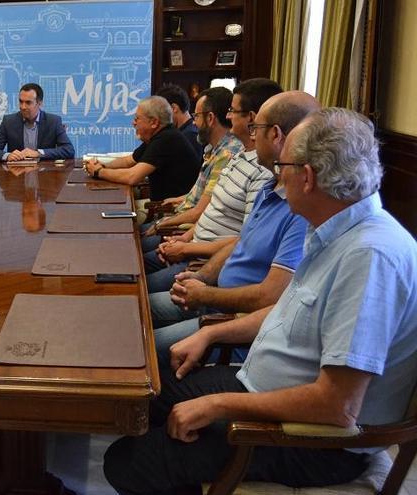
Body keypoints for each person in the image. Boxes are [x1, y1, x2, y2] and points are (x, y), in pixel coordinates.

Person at [104, 108, 417, 494]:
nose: (277, 177)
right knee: (143, 399)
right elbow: (289, 309)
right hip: (257, 383)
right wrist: (212, 336)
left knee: (129, 461)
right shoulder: (336, 228)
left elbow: (337, 406)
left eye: (282, 166)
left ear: (307, 177)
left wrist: (219, 405)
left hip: (312, 441)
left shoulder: (369, 257)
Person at [150, 91, 317, 364]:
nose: (251, 135)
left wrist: (205, 291)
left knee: (143, 346)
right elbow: (240, 243)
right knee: (134, 311)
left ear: (275, 135)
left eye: (256, 128)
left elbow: (271, 296)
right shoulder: (270, 187)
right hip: (212, 294)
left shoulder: (300, 208)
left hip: (233, 324)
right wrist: (202, 278)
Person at [143, 82, 279, 293]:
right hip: (190, 246)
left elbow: (243, 240)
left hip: (201, 263)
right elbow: (211, 210)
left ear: (252, 118)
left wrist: (184, 246)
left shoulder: (259, 170)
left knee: (137, 287)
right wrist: (184, 238)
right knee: (130, 271)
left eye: (233, 111)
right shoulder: (238, 155)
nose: (229, 116)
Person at [137, 86, 243, 242]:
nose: (195, 122)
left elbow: (200, 211)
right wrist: (182, 198)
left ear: (210, 118)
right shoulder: (214, 149)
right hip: (181, 219)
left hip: (185, 231)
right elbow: (204, 194)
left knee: (134, 243)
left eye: (197, 116)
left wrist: (162, 223)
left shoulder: (226, 155)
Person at [84, 95, 201, 202]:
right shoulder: (159, 135)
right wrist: (102, 165)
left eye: (137, 119)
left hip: (169, 210)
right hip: (160, 204)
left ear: (154, 122)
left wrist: (99, 172)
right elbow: (128, 161)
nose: (133, 123)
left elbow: (132, 177)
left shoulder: (167, 139)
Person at [0, 82, 75, 161]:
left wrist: (38, 153)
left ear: (39, 103)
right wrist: (7, 156)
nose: (23, 107)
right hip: (16, 175)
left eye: (28, 103)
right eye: (21, 102)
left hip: (45, 174)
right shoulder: (9, 121)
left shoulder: (53, 121)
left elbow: (69, 150)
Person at [156, 83, 202, 157]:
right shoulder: (184, 132)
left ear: (174, 108)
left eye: (161, 112)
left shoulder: (189, 136)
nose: (159, 118)